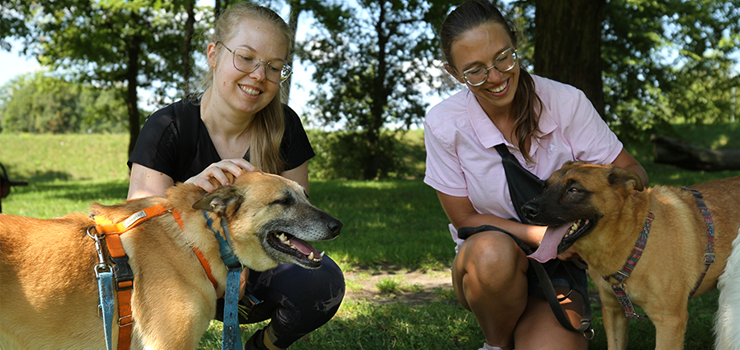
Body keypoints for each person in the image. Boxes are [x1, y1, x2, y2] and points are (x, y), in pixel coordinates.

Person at [423, 1, 649, 350]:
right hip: (488, 267)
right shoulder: (443, 124)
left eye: (503, 58)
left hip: (562, 267)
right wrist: (545, 235)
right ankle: (496, 342)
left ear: (516, 44)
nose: (496, 77)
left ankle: (536, 325)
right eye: (476, 71)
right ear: (454, 74)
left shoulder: (566, 102)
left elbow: (633, 173)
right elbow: (465, 218)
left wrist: (583, 231)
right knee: (492, 254)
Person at [126, 4, 345, 350]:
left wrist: (241, 261)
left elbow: (295, 216)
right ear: (213, 54)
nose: (259, 75)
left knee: (320, 282)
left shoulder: (286, 126)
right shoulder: (167, 127)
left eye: (274, 67)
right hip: (177, 272)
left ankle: (263, 348)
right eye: (245, 58)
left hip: (255, 271)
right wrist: (192, 187)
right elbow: (135, 230)